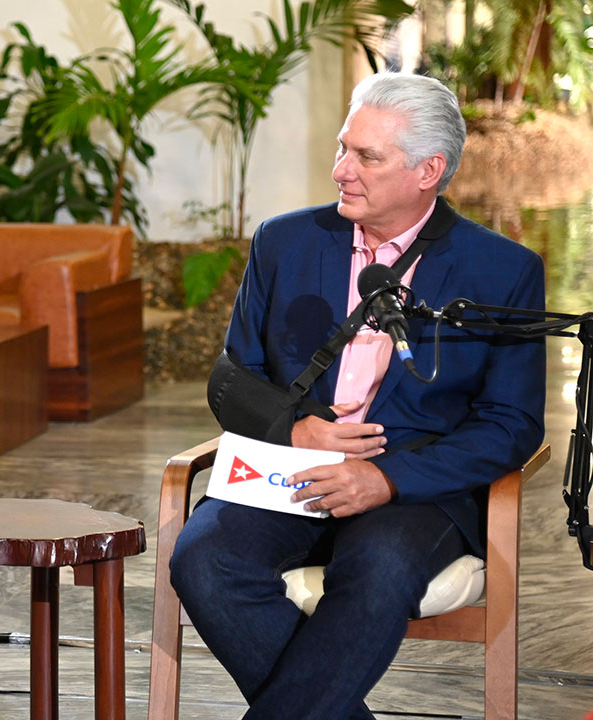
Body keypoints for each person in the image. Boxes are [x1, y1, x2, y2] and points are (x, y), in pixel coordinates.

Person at [170, 73, 545, 718]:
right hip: (290, 471)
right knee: (202, 558)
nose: (342, 169)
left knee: (377, 571)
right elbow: (231, 378)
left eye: (367, 157)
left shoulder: (502, 270)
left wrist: (386, 479)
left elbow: (510, 425)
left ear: (430, 170)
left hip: (414, 489)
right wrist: (294, 431)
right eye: (344, 148)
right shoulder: (284, 242)